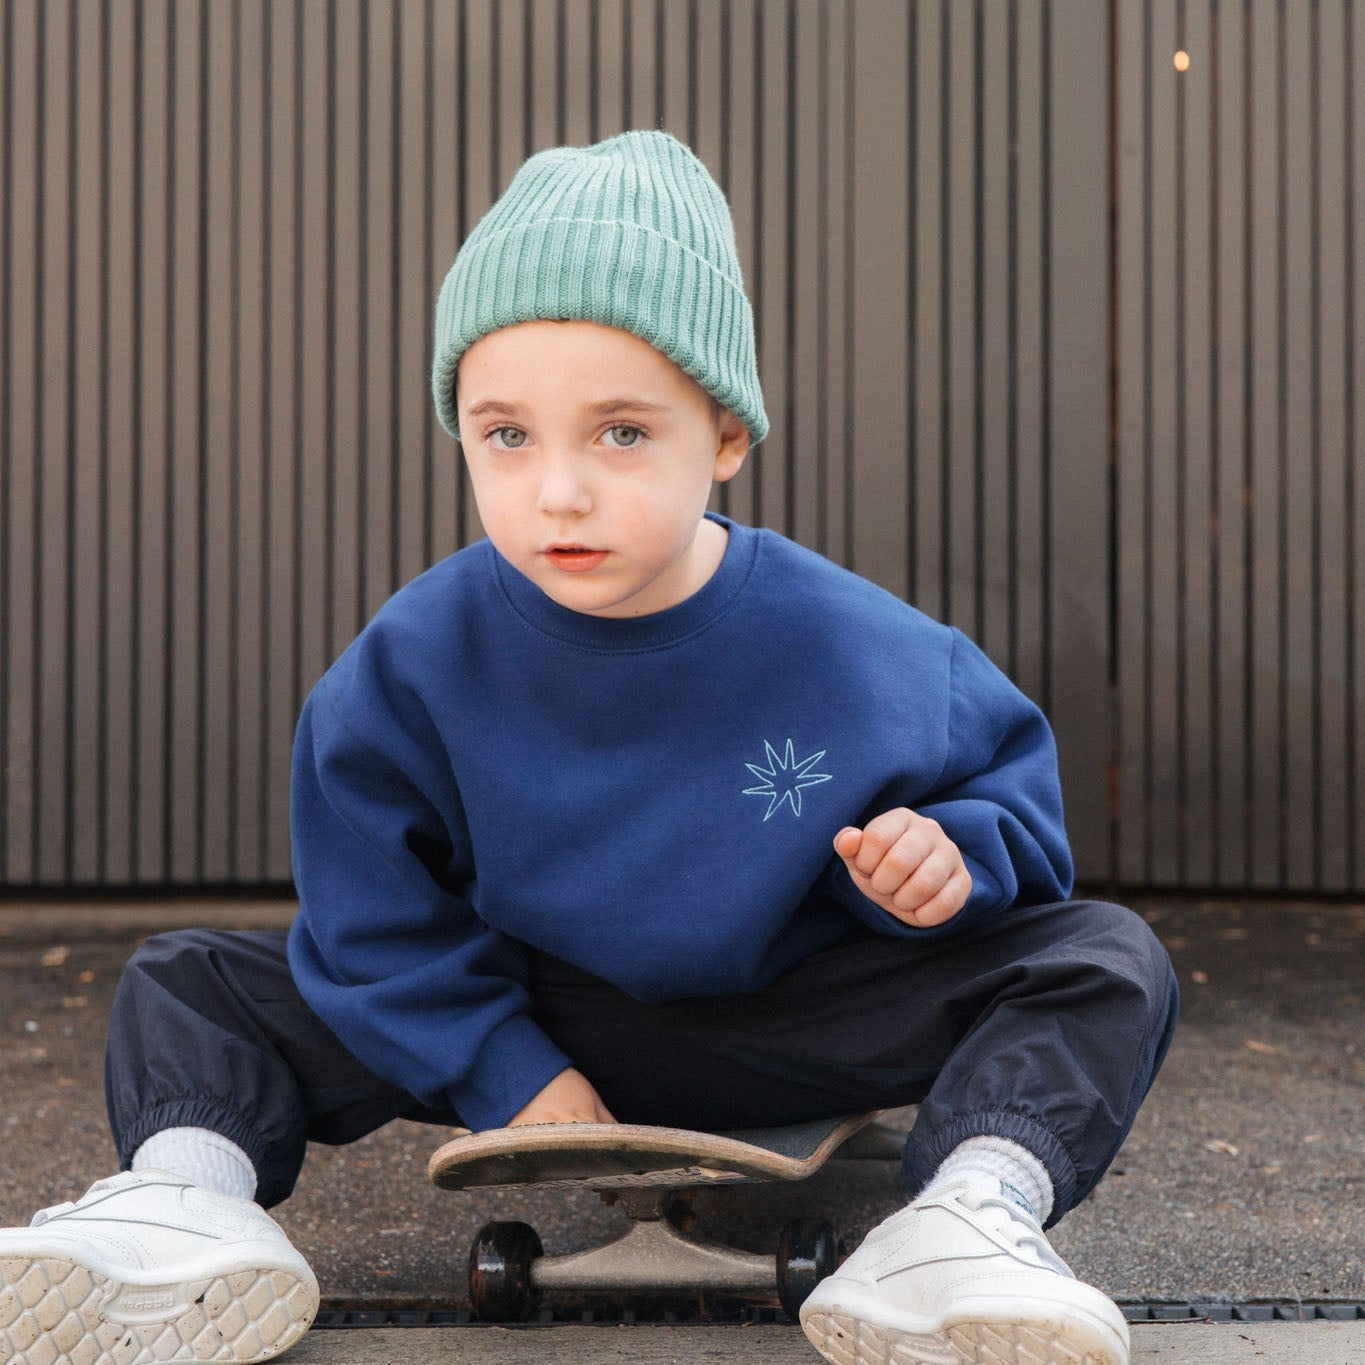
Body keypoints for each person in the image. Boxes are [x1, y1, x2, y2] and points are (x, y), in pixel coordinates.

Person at [0, 130, 1176, 1365]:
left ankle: (965, 1221)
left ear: (724, 435)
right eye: (506, 436)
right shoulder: (414, 659)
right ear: (459, 429)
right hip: (539, 1009)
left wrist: (951, 857)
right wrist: (505, 1068)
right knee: (192, 979)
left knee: (1102, 955)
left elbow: (1015, 804)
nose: (559, 491)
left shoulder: (859, 644)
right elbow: (373, 912)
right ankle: (186, 1213)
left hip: (797, 1010)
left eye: (621, 433)